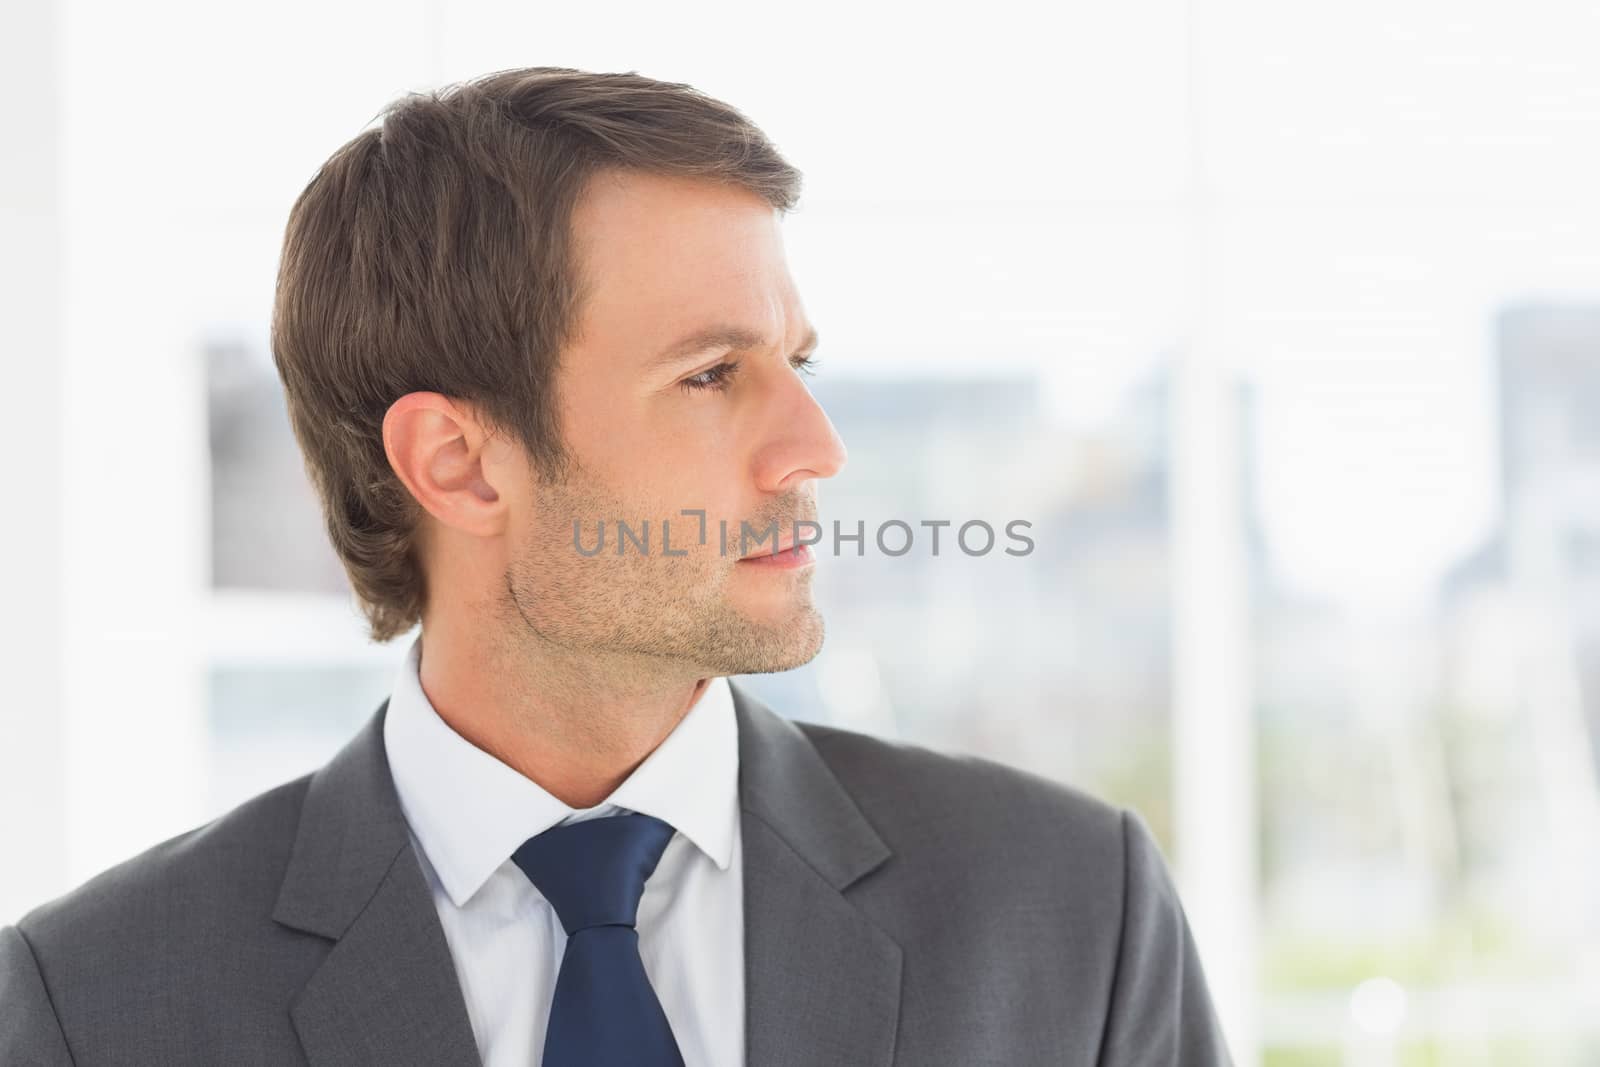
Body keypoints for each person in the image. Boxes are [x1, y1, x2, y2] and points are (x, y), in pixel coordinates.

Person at [0, 66, 1233, 1066]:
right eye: (709, 375)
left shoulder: (1072, 912)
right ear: (459, 463)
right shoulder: (91, 1002)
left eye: (793, 365)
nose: (816, 449)